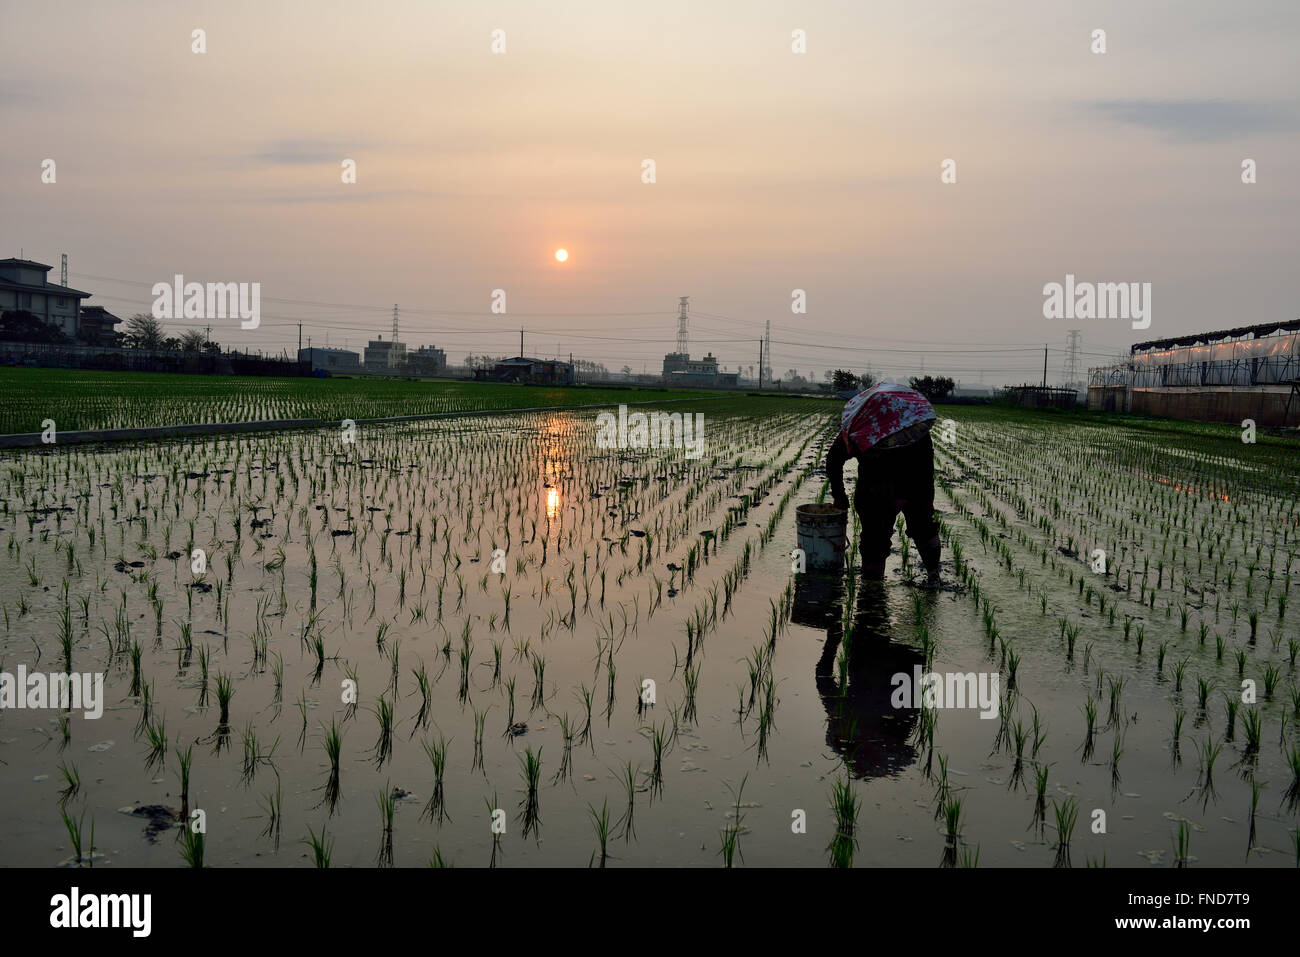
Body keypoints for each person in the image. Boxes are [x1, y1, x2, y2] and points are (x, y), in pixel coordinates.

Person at [826, 381, 941, 581]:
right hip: (884, 491)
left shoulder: (864, 428)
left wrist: (839, 497)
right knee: (886, 538)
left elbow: (834, 458)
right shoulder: (914, 426)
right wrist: (839, 495)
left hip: (899, 488)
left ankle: (927, 577)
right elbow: (834, 458)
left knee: (914, 531)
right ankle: (927, 579)